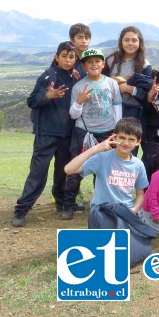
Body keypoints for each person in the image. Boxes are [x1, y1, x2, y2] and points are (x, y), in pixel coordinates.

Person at [11, 41, 79, 227]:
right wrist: (47, 96)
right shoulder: (48, 76)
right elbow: (32, 101)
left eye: (71, 56)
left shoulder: (76, 78)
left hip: (67, 134)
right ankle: (22, 209)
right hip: (46, 134)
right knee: (38, 173)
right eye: (64, 56)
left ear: (75, 59)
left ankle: (61, 202)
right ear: (57, 57)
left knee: (62, 172)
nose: (67, 60)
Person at [62, 48, 123, 218]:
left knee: (105, 170)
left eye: (97, 61)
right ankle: (69, 204)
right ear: (84, 65)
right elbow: (73, 114)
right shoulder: (79, 86)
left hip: (107, 133)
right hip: (84, 133)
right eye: (89, 62)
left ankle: (102, 203)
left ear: (103, 64)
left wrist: (117, 130)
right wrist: (79, 102)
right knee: (76, 168)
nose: (94, 64)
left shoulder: (111, 83)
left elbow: (117, 106)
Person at [64, 117, 149, 213]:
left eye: (131, 139)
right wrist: (95, 149)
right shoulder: (102, 158)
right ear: (114, 137)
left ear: (138, 142)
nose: (126, 143)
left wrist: (133, 210)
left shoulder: (138, 165)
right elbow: (68, 169)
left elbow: (140, 194)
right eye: (122, 137)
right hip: (101, 211)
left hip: (125, 212)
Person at [104, 26, 153, 121]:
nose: (130, 43)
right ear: (121, 42)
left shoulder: (145, 65)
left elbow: (146, 94)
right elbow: (99, 81)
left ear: (140, 43)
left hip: (133, 112)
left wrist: (128, 88)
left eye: (134, 40)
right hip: (110, 109)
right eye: (126, 40)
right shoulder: (111, 60)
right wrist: (111, 82)